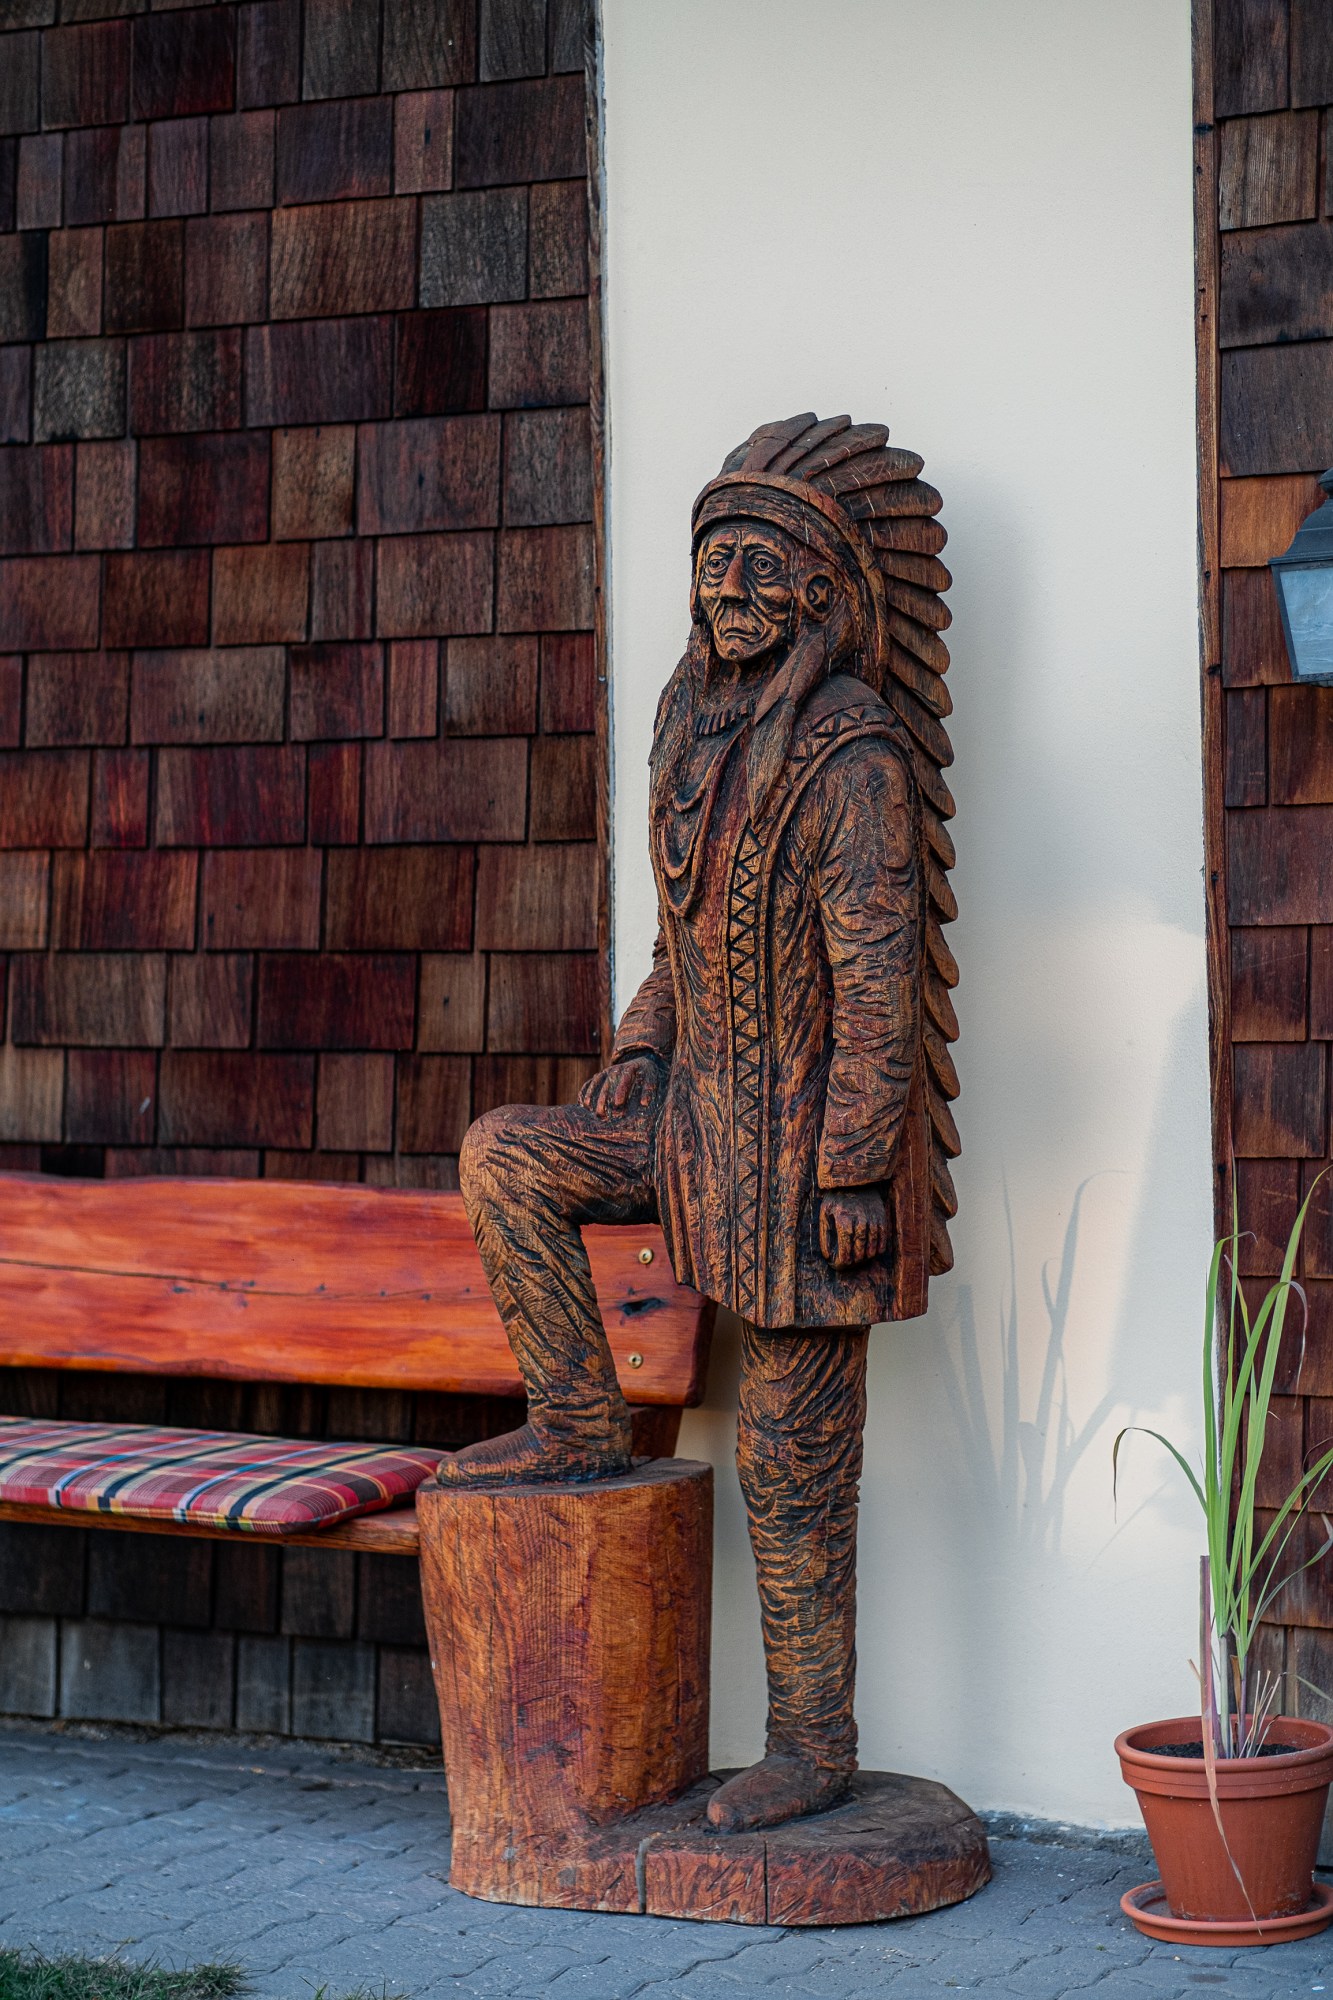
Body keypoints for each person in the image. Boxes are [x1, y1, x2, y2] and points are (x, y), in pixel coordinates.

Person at [441, 414, 958, 1835]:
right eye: (712, 560)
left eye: (759, 565)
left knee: (789, 1464)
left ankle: (812, 1743)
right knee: (506, 1156)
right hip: (690, 1133)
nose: (726, 587)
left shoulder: (852, 759)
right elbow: (680, 942)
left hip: (805, 1170)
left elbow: (880, 988)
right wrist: (637, 1053)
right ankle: (577, 1420)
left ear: (821, 595)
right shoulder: (693, 734)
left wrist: (852, 1169)